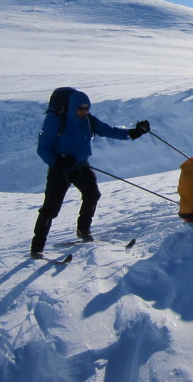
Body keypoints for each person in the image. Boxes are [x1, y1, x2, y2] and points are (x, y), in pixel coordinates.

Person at [31, 89, 150, 257]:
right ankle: (37, 247)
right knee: (51, 209)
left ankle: (83, 231)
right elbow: (42, 148)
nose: (84, 111)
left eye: (87, 108)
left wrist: (135, 132)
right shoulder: (58, 122)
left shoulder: (88, 121)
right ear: (73, 107)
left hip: (80, 165)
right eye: (81, 108)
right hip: (60, 170)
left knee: (92, 194)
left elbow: (108, 131)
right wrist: (57, 161)